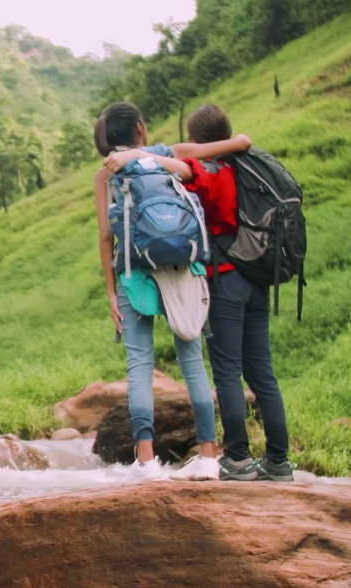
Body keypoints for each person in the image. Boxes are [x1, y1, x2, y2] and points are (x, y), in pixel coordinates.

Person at [103, 103, 293, 482]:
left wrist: (137, 157)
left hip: (215, 278)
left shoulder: (198, 171)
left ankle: (228, 459)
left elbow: (109, 231)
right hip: (252, 276)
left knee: (221, 369)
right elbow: (235, 144)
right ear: (141, 127)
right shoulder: (243, 167)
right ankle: (272, 461)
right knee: (260, 373)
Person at [93, 101, 235, 481]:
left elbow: (106, 237)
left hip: (133, 271)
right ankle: (208, 456)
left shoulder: (104, 175)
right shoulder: (166, 153)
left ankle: (146, 462)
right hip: (183, 266)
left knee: (140, 365)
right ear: (141, 127)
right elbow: (224, 148)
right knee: (192, 359)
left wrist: (110, 294)